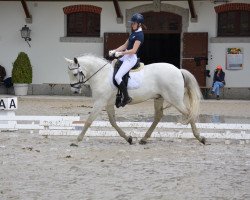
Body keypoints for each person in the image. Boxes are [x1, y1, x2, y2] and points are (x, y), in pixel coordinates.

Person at [109, 13, 145, 107]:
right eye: (132, 23)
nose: (132, 25)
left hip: (131, 59)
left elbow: (133, 51)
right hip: (126, 57)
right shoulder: (133, 33)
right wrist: (114, 50)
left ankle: (126, 97)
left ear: (139, 24)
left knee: (117, 77)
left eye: (134, 23)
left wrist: (121, 53)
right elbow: (125, 46)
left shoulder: (140, 35)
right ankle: (117, 94)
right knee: (114, 66)